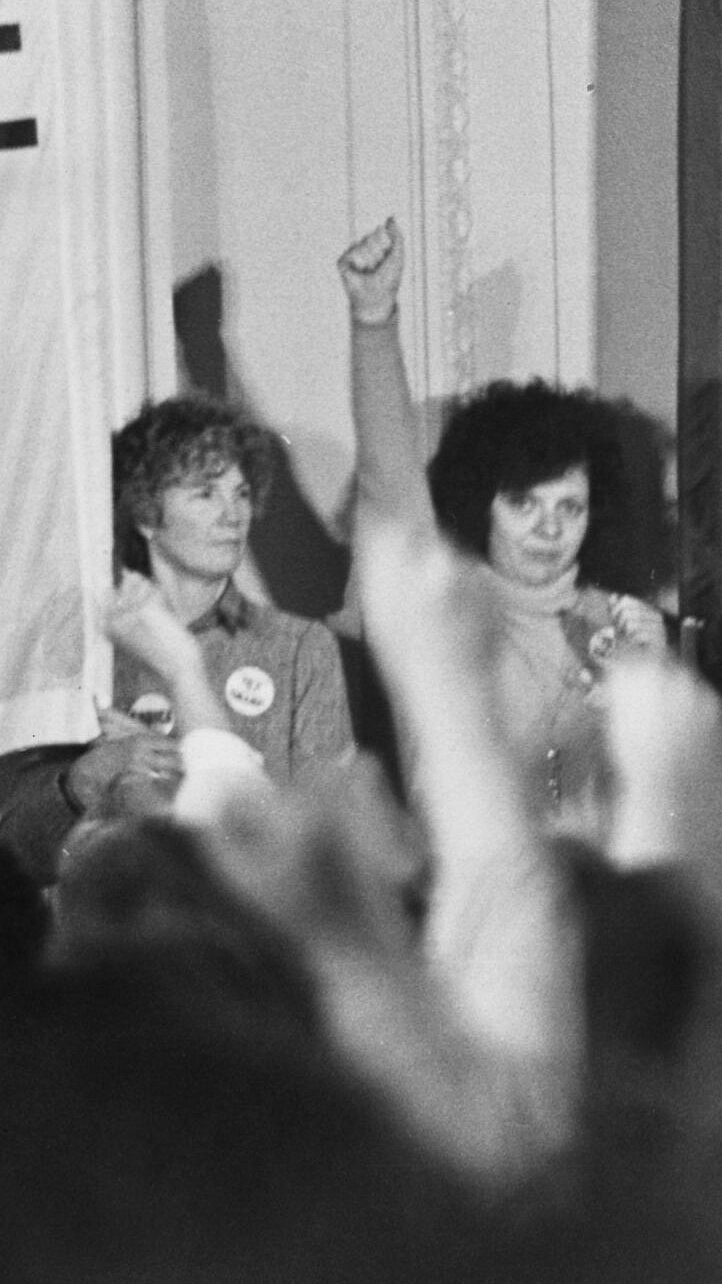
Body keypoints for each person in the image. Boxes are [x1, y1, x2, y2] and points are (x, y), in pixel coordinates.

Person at [336, 219, 664, 833]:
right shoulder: (443, 610)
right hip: (469, 897)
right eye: (525, 505)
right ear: (481, 503)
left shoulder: (623, 625)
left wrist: (655, 689)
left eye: (570, 508)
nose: (550, 530)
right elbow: (389, 482)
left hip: (600, 907)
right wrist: (373, 322)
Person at [0, 398, 352, 885]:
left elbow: (324, 837)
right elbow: (14, 845)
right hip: (103, 940)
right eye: (206, 494)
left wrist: (184, 762)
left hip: (240, 941)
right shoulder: (81, 645)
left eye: (242, 492)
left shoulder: (298, 648)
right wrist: (81, 781)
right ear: (146, 513)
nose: (234, 515)